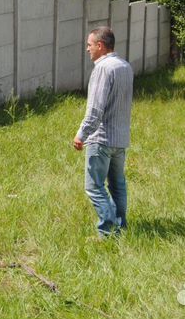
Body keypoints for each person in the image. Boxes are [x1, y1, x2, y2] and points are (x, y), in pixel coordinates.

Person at [73, 26, 133, 237]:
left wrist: (82, 134)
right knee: (117, 185)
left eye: (89, 45)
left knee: (94, 187)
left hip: (102, 139)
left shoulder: (103, 69)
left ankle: (108, 230)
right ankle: (121, 226)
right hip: (121, 138)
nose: (87, 49)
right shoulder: (125, 66)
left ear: (100, 45)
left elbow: (95, 109)